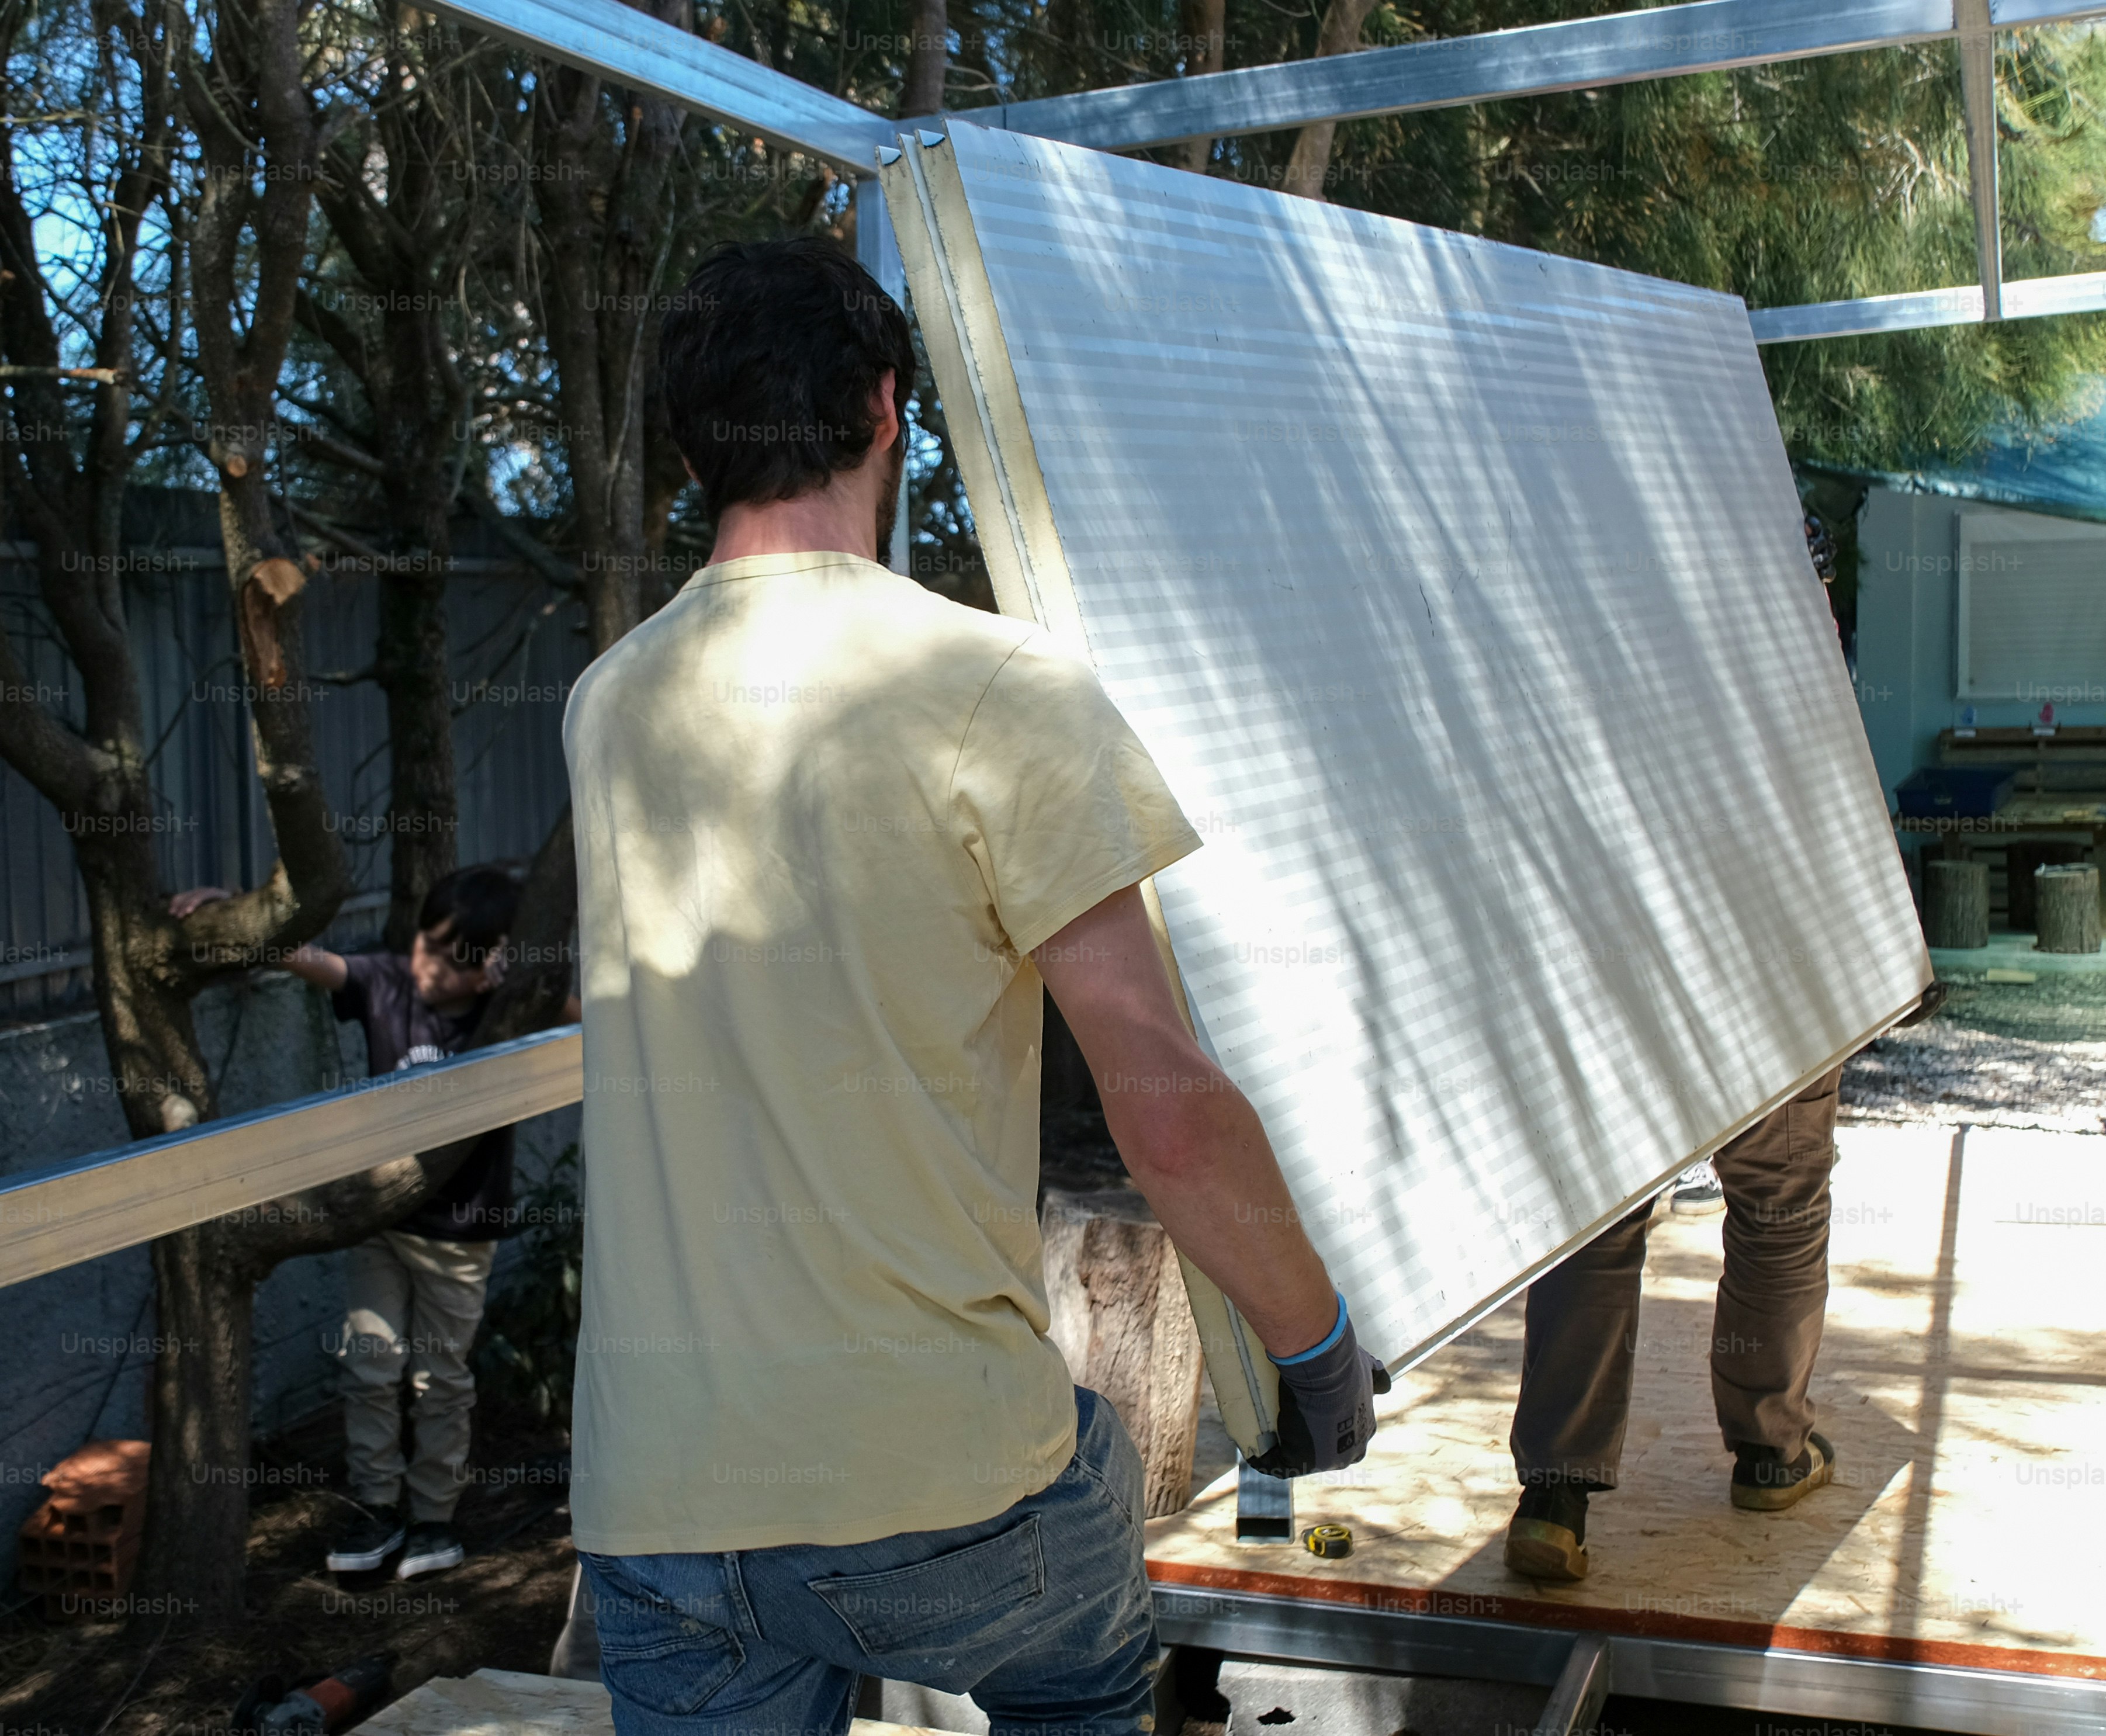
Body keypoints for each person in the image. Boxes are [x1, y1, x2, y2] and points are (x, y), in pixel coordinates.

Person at [561, 235, 1376, 1736]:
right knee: (1083, 1672)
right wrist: (1309, 1338)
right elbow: (1166, 1105)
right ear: (884, 411)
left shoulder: (606, 705)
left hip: (658, 1494)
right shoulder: (1000, 689)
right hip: (932, 1476)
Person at [169, 863, 569, 1581]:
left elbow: (584, 1015)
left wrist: (519, 978)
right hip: (381, 1221)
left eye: (454, 958)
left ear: (487, 969)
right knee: (369, 1364)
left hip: (461, 1232)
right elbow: (308, 958)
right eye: (427, 941)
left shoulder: (501, 1012)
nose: (430, 965)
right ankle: (375, 1508)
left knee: (438, 1379)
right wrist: (232, 912)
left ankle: (434, 1519)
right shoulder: (385, 983)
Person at [1503, 986, 1945, 1583]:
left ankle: (1552, 1501)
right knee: (1778, 1211)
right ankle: (1770, 1453)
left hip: (1612, 987)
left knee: (1596, 1225)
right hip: (1768, 978)